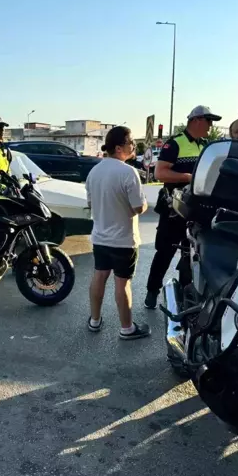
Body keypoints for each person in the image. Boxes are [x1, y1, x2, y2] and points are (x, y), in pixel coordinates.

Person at [144, 106, 222, 309]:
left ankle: (187, 294)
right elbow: (160, 173)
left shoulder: (206, 146)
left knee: (191, 254)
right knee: (165, 252)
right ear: (196, 120)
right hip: (174, 209)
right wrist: (186, 177)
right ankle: (152, 291)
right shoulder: (175, 144)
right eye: (208, 121)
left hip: (197, 210)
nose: (210, 126)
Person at [86, 126, 150, 340]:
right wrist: (146, 205)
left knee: (99, 276)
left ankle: (94, 320)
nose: (134, 146)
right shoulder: (128, 172)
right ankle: (127, 328)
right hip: (123, 240)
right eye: (131, 142)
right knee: (122, 283)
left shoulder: (94, 172)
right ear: (119, 147)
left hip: (100, 237)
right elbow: (138, 207)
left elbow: (90, 203)